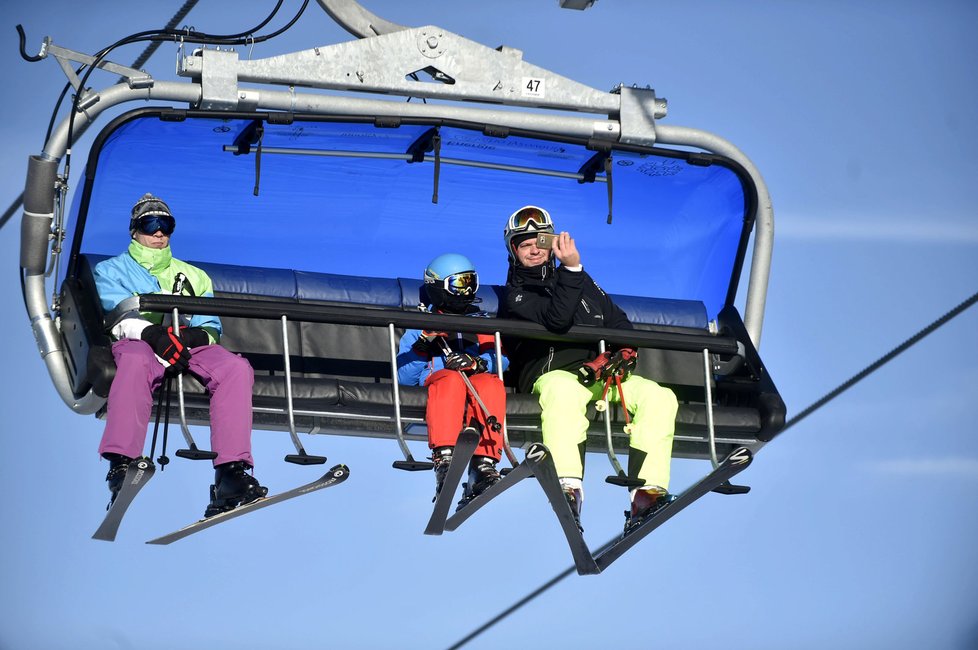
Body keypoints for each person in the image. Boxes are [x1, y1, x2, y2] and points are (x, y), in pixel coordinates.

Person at [499, 205, 679, 534]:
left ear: (553, 241)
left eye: (541, 240)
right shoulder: (516, 295)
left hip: (600, 377)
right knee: (564, 391)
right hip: (552, 375)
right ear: (514, 251)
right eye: (525, 244)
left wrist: (624, 352)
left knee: (659, 396)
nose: (535, 249)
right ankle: (569, 488)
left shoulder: (581, 281)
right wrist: (571, 269)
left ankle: (646, 494)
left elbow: (618, 321)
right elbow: (557, 319)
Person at [94, 193, 267, 517]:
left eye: (166, 225)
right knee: (134, 362)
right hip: (138, 340)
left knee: (234, 368)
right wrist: (152, 333)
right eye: (150, 224)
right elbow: (115, 312)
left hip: (186, 345)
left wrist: (189, 336)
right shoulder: (111, 270)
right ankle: (122, 462)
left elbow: (210, 325)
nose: (159, 232)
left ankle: (230, 473)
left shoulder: (194, 276)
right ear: (135, 229)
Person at [396, 253, 509, 506]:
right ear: (438, 287)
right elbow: (405, 378)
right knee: (451, 379)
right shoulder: (420, 324)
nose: (467, 290)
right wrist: (424, 343)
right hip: (442, 381)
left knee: (492, 384)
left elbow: (500, 360)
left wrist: (477, 362)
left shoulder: (480, 323)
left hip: (476, 383)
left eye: (471, 282)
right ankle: (445, 459)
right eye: (459, 284)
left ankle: (483, 464)